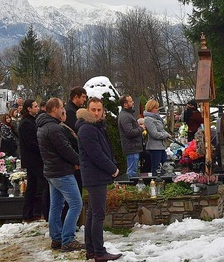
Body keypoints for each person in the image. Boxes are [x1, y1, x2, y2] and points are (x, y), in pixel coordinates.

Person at [37, 97, 84, 253]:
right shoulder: (54, 128)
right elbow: (65, 149)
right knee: (76, 204)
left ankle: (57, 238)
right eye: (61, 107)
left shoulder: (44, 126)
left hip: (52, 171)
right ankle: (68, 240)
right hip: (61, 172)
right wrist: (79, 161)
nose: (64, 109)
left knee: (56, 206)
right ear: (54, 109)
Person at [76, 100, 122, 261]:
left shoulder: (95, 126)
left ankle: (91, 250)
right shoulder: (87, 129)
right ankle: (99, 252)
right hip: (95, 176)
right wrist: (113, 169)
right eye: (93, 109)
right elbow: (96, 154)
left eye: (99, 109)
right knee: (98, 215)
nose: (96, 113)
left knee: (92, 215)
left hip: (95, 175)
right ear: (87, 110)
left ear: (103, 111)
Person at [19, 99, 50, 222]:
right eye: (35, 106)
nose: (37, 108)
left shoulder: (31, 121)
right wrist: (43, 148)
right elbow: (31, 143)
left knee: (32, 187)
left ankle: (28, 213)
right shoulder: (26, 123)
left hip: (32, 159)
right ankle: (43, 211)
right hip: (33, 159)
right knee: (45, 183)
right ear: (29, 109)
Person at [117, 95, 144, 178]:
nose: (133, 102)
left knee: (133, 170)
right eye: (130, 101)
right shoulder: (125, 116)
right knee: (131, 172)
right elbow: (129, 132)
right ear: (125, 104)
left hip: (134, 146)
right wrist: (141, 128)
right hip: (131, 147)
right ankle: (130, 187)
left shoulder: (128, 114)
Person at [143, 100, 171, 176]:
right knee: (155, 166)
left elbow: (161, 130)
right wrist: (165, 135)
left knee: (164, 161)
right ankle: (155, 182)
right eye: (155, 108)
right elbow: (154, 134)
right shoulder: (148, 119)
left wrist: (166, 134)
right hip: (154, 147)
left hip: (161, 146)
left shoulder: (157, 118)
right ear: (151, 108)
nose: (157, 109)